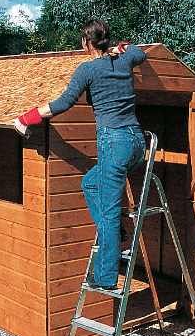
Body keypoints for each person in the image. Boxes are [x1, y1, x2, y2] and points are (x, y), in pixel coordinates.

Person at [13, 19, 147, 290]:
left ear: (86, 42)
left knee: (109, 213)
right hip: (137, 144)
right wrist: (123, 48)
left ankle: (106, 279)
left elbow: (63, 103)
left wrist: (26, 118)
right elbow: (139, 52)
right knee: (89, 183)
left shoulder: (87, 69)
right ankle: (116, 233)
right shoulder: (125, 60)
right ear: (107, 41)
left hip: (114, 143)